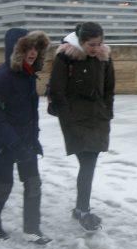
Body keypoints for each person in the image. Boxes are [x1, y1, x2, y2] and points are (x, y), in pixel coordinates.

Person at [0, 28, 51, 245]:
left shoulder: (29, 75)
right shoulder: (2, 76)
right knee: (3, 185)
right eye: (27, 47)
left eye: (36, 48)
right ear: (16, 49)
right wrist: (14, 142)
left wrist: (33, 140)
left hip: (24, 143)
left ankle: (32, 228)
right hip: (1, 144)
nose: (33, 52)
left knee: (33, 183)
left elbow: (30, 115)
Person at [47, 22, 115, 231]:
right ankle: (82, 209)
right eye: (91, 44)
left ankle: (80, 208)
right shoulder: (65, 57)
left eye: (99, 44)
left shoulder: (103, 57)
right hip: (75, 120)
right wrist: (68, 120)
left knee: (89, 163)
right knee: (87, 162)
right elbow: (58, 91)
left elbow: (109, 88)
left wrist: (107, 112)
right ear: (81, 41)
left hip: (97, 118)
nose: (95, 48)